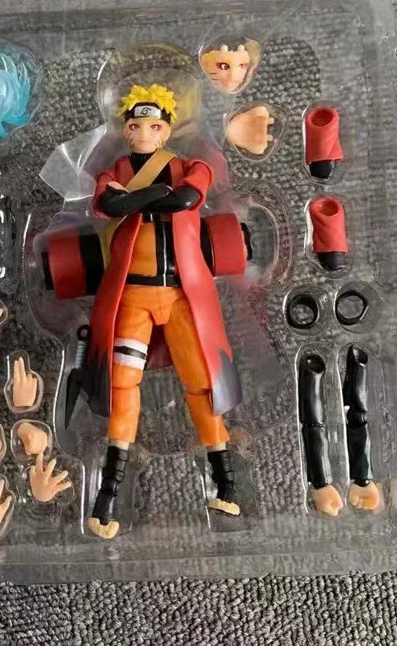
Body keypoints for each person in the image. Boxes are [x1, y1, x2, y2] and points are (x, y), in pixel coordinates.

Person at [84, 83, 242, 539]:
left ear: (166, 129)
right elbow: (110, 203)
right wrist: (154, 195)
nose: (144, 134)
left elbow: (186, 198)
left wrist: (138, 199)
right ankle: (109, 490)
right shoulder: (114, 170)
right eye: (135, 126)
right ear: (127, 130)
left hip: (179, 295)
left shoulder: (190, 167)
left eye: (153, 126)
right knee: (121, 386)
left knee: (202, 383)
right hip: (132, 295)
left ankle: (226, 481)